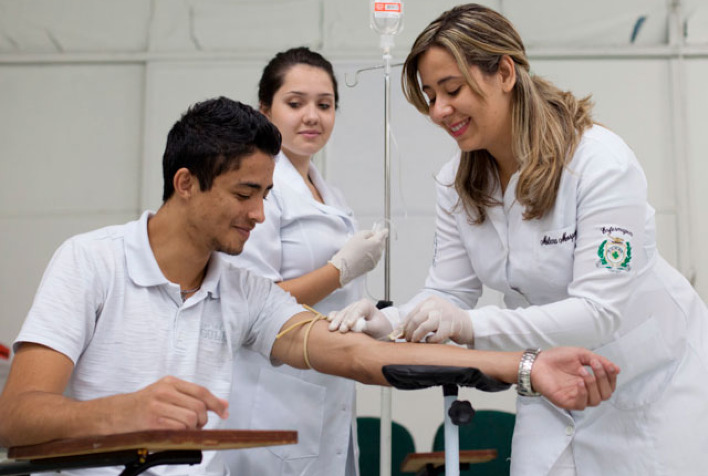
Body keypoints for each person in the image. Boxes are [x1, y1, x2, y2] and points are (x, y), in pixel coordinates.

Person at [0, 96, 618, 476]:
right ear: (185, 183)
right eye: (245, 194)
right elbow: (17, 419)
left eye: (267, 195)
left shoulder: (241, 291)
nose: (260, 214)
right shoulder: (91, 263)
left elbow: (361, 355)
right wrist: (127, 413)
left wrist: (528, 366)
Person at [327, 3, 708, 475]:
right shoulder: (457, 182)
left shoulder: (599, 164)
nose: (439, 111)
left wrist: (468, 326)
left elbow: (598, 312)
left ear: (505, 72)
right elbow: (449, 292)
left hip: (650, 389)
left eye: (452, 89)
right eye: (430, 96)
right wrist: (392, 321)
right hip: (550, 387)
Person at [221, 47, 386, 476]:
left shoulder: (331, 195)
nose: (311, 116)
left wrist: (366, 311)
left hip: (331, 387)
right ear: (265, 109)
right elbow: (251, 305)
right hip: (273, 392)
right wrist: (340, 271)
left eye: (324, 105)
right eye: (295, 104)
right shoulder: (257, 193)